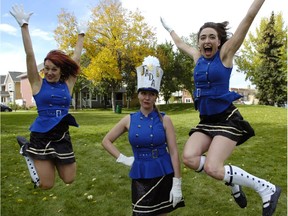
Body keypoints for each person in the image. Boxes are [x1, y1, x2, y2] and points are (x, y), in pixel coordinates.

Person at [160, 0, 281, 215]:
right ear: (198, 43)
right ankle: (232, 181)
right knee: (189, 158)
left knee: (213, 168)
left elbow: (248, 18)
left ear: (219, 42)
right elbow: (179, 44)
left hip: (227, 118)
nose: (207, 40)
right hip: (206, 120)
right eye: (203, 37)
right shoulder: (197, 58)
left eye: (212, 37)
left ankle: (267, 188)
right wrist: (170, 29)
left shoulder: (225, 54)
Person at [10, 4, 86, 189]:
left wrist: (81, 35)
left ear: (61, 70)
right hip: (41, 135)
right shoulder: (38, 83)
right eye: (46, 68)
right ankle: (29, 151)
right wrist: (24, 26)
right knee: (46, 185)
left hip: (62, 134)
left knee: (69, 179)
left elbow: (76, 59)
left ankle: (40, 156)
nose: (49, 72)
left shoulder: (67, 85)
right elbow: (30, 54)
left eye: (54, 69)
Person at [102, 56, 185, 215]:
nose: (147, 97)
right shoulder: (128, 119)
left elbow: (174, 152)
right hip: (140, 175)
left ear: (156, 96)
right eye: (144, 93)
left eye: (151, 94)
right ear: (138, 94)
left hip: (163, 173)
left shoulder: (165, 120)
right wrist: (124, 159)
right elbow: (106, 141)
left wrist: (177, 183)